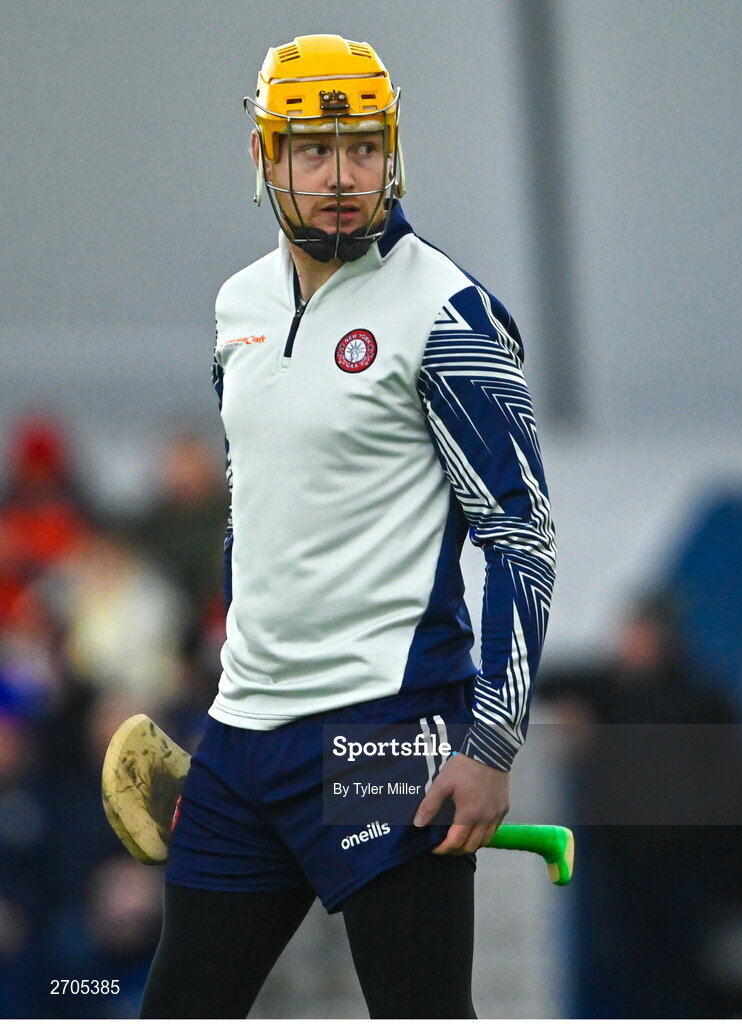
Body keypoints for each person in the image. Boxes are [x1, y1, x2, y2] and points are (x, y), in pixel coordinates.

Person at [140, 33, 555, 1019]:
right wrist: (223, 685)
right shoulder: (237, 305)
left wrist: (491, 747)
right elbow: (259, 511)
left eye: (364, 149)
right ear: (266, 160)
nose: (341, 178)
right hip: (240, 745)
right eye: (314, 152)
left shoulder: (446, 311)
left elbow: (520, 537)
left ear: (392, 153)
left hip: (384, 737)